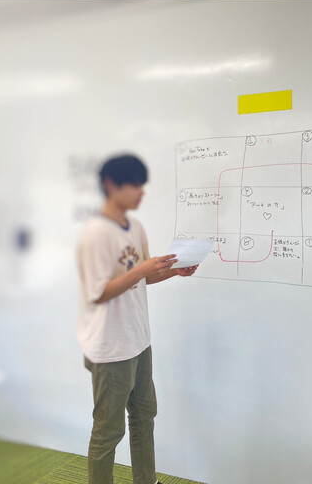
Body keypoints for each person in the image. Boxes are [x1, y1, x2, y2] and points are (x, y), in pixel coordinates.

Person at [76, 153, 197, 484]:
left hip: (139, 340)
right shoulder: (96, 234)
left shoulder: (137, 228)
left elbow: (141, 278)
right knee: (108, 430)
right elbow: (98, 292)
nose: (142, 191)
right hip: (110, 348)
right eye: (134, 184)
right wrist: (142, 269)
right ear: (110, 185)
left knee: (144, 416)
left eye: (142, 185)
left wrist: (173, 271)